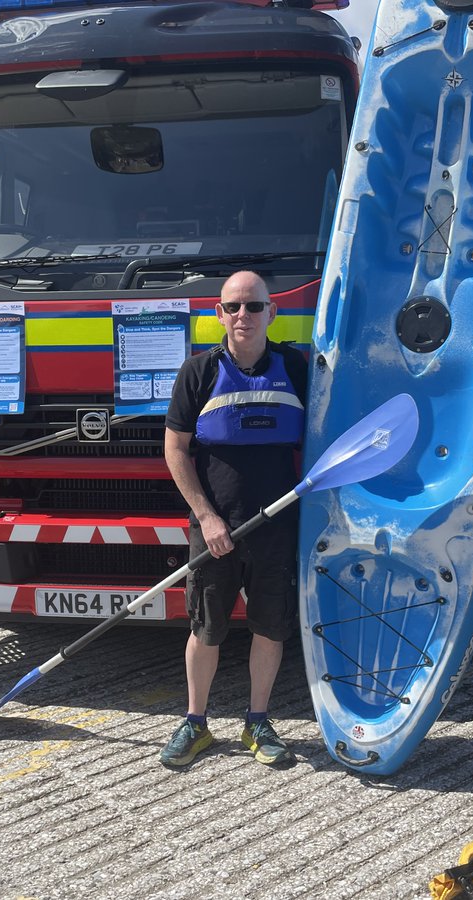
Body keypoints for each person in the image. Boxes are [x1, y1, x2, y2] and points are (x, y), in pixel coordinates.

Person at [160, 270, 308, 768]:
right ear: (219, 314)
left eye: (254, 306)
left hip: (276, 527)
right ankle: (195, 722)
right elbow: (175, 450)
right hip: (215, 529)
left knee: (270, 626)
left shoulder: (296, 367)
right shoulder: (198, 372)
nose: (243, 315)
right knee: (206, 628)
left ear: (272, 312)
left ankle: (257, 721)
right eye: (233, 306)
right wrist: (206, 517)